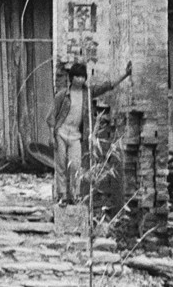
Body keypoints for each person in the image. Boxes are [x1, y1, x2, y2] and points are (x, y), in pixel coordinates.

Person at [47, 60, 132, 205]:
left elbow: (108, 86)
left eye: (82, 77)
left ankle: (75, 195)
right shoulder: (62, 95)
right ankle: (62, 196)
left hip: (75, 136)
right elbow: (51, 117)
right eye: (77, 77)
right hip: (61, 133)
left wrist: (125, 74)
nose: (80, 80)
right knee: (61, 166)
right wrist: (52, 136)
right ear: (71, 78)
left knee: (75, 166)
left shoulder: (87, 93)